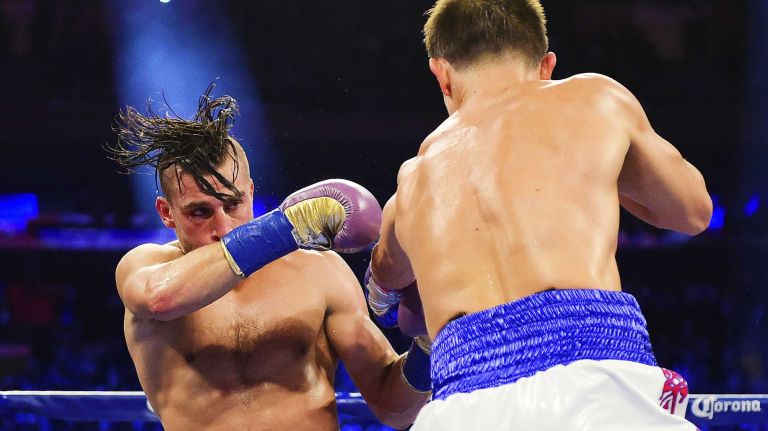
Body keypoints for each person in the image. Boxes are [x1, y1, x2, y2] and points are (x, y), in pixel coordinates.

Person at [364, 1, 713, 430]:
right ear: (546, 65)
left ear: (442, 74)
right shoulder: (595, 99)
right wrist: (598, 167)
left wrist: (385, 289)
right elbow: (693, 211)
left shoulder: (411, 183)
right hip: (597, 388)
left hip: (463, 405)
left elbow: (384, 287)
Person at [105, 85, 431, 430]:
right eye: (199, 212)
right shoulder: (147, 266)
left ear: (250, 192)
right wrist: (291, 224)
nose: (224, 227)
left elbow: (396, 410)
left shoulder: (319, 272)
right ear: (166, 212)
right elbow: (160, 298)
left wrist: (428, 344)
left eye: (233, 204)